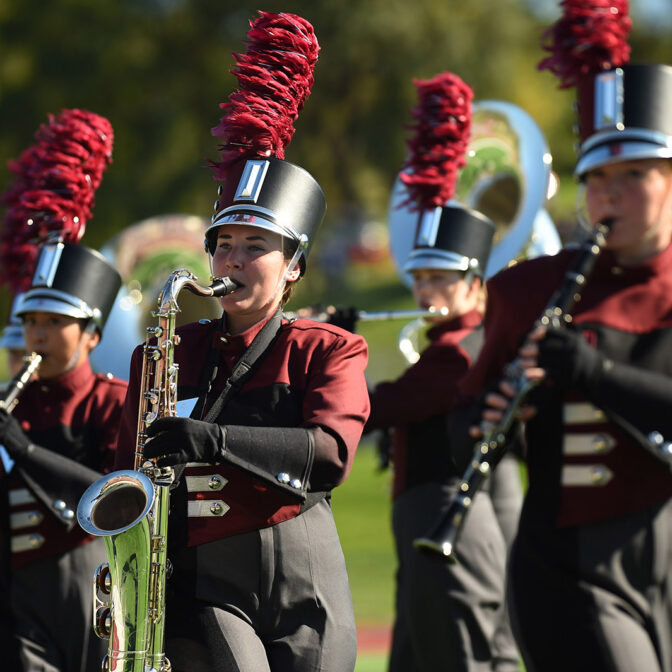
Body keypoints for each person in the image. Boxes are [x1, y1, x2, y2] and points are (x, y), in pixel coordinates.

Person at [114, 12, 370, 672]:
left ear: (294, 268)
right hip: (207, 585)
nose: (232, 261)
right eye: (223, 246)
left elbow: (329, 456)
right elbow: (130, 483)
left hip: (308, 576)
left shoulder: (330, 348)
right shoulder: (166, 353)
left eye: (255, 247)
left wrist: (213, 440)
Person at [454, 9, 672, 671]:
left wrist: (590, 371)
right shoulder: (532, 291)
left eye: (633, 175)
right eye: (597, 179)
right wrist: (503, 412)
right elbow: (468, 417)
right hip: (569, 566)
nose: (609, 195)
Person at [362, 71, 521, 672]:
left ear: (476, 285)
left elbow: (383, 406)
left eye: (442, 280)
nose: (426, 291)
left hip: (446, 518)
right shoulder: (448, 342)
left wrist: (327, 350)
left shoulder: (461, 348)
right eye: (421, 278)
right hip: (428, 519)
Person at [0, 240, 125, 672]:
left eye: (55, 321)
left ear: (91, 333)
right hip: (19, 591)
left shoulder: (113, 402)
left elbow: (115, 498)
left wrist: (25, 451)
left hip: (93, 582)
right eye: (30, 321)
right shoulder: (10, 405)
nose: (37, 335)